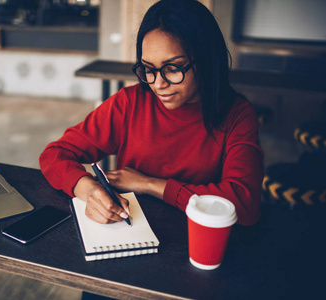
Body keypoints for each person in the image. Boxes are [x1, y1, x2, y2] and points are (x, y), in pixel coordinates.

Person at [39, 0, 264, 227]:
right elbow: (55, 154)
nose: (157, 84)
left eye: (173, 68)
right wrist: (88, 189)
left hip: (196, 241)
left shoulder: (237, 115)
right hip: (130, 234)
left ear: (205, 60)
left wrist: (149, 184)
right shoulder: (130, 102)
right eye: (148, 69)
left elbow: (244, 205)